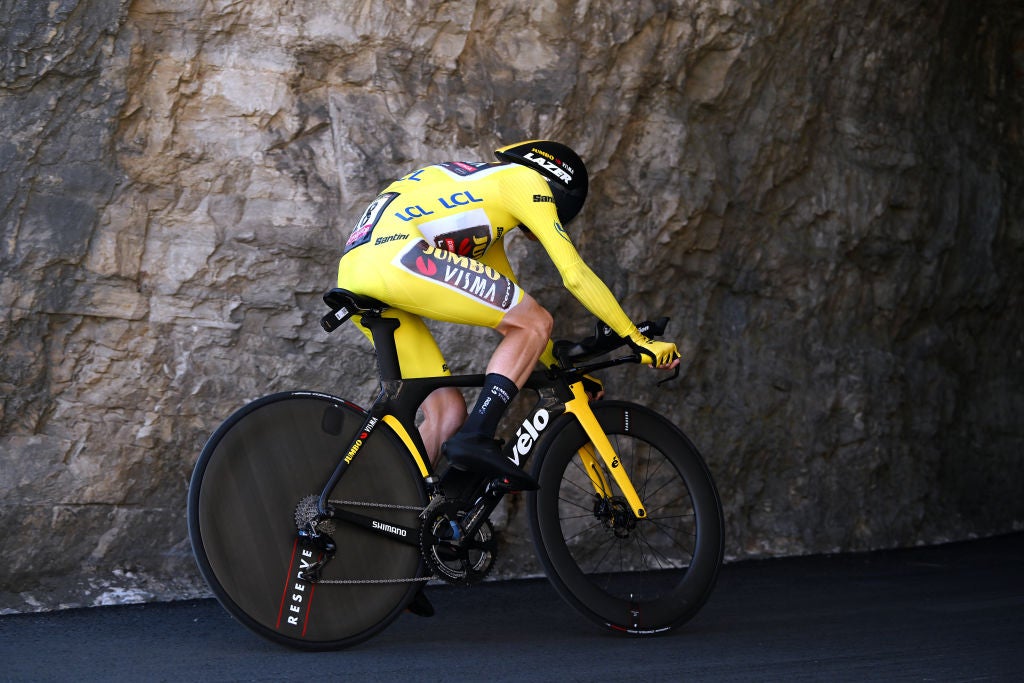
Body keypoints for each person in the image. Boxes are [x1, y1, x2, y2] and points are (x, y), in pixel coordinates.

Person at [336, 140, 680, 492]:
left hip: (357, 269)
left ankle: (390, 513)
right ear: (558, 189)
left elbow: (517, 318)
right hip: (396, 256)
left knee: (447, 413)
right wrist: (635, 338)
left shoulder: (482, 210)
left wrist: (561, 373)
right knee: (537, 320)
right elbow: (573, 275)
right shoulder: (525, 182)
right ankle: (477, 435)